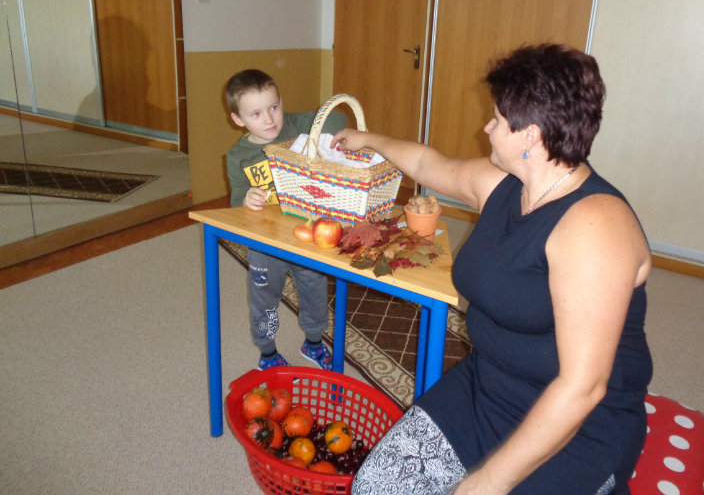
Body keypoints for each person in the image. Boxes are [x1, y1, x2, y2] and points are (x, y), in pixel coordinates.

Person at [332, 44, 653, 495]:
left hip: (579, 425)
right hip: (488, 388)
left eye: (498, 119)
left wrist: (485, 484)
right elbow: (427, 163)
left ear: (531, 136)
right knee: (374, 487)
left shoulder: (595, 226)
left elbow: (582, 387)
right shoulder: (504, 184)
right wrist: (368, 140)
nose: (486, 126)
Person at [224, 69, 347, 370]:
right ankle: (267, 353)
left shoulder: (293, 125)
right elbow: (235, 204)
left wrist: (304, 123)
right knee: (264, 300)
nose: (269, 119)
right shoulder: (237, 156)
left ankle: (314, 343)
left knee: (315, 292)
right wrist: (246, 199)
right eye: (256, 114)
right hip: (265, 244)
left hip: (306, 234)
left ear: (282, 102)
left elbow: (339, 119)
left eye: (274, 107)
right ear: (238, 119)